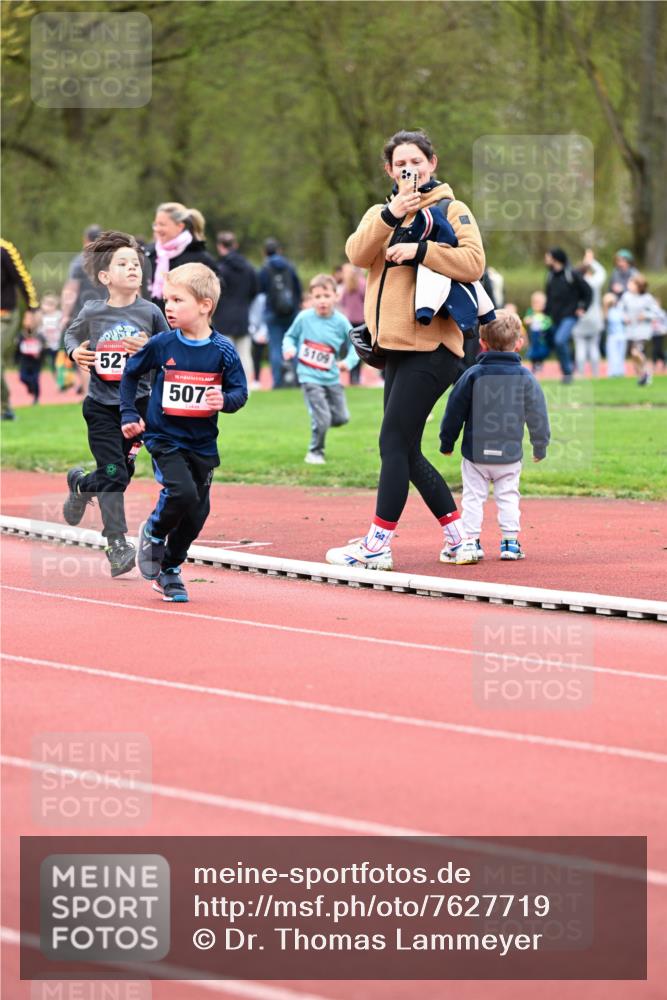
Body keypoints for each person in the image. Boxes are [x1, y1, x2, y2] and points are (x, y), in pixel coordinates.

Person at [325, 128, 485, 570]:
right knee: (406, 449)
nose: (408, 169)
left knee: (392, 441)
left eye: (416, 161)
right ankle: (460, 539)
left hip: (432, 345)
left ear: (432, 163)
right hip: (393, 348)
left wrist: (421, 249)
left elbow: (474, 264)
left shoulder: (452, 208)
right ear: (389, 170)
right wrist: (392, 216)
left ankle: (377, 545)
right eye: (400, 164)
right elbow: (357, 255)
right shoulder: (382, 211)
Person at [120, 263, 248, 603]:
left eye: (178, 300)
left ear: (205, 305)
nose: (168, 307)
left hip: (202, 442)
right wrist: (129, 412)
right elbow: (130, 374)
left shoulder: (222, 350)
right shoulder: (162, 344)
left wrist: (224, 399)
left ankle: (170, 570)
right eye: (166, 299)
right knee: (181, 492)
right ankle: (154, 531)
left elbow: (240, 393)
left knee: (197, 512)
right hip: (164, 437)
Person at [62, 231, 170, 577]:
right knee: (115, 472)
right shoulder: (93, 310)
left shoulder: (151, 311)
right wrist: (74, 351)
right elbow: (70, 335)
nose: (132, 268)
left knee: (117, 475)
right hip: (101, 407)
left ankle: (81, 485)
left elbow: (170, 349)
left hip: (138, 407)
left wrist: (149, 346)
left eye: (135, 263)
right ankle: (116, 544)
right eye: (122, 264)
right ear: (105, 277)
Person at [439, 310, 550, 562]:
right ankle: (510, 543)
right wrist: (539, 446)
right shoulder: (526, 378)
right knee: (508, 496)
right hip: (509, 455)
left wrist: (447, 442)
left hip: (476, 452)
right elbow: (538, 415)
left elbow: (454, 410)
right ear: (519, 343)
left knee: (473, 498)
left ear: (482, 343)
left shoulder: (473, 375)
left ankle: (470, 542)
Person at [282, 273, 359, 465]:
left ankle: (320, 420)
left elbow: (356, 346)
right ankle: (315, 452)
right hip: (309, 376)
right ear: (311, 299)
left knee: (341, 418)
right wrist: (289, 348)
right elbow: (289, 337)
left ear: (336, 296)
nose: (322, 301)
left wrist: (347, 363)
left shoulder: (341, 321)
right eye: (317, 297)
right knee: (323, 419)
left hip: (332, 377)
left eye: (326, 296)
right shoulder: (304, 318)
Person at [144, 202, 217, 314]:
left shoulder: (200, 258)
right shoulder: (148, 254)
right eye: (155, 224)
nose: (157, 229)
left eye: (162, 224)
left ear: (180, 226)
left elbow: (214, 295)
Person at [60, 224, 106, 397]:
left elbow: (70, 290)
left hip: (83, 315)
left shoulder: (79, 262)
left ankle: (89, 393)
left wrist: (65, 315)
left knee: (85, 354)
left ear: (85, 240)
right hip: (110, 312)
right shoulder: (110, 260)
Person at [212, 231, 258, 385]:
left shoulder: (220, 270)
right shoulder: (249, 268)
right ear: (235, 245)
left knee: (224, 354)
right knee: (244, 354)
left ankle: (228, 385)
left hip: (223, 317)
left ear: (220, 247)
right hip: (243, 316)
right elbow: (255, 291)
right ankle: (246, 387)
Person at [1, 237, 39, 420]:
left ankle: (4, 406)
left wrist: (32, 310)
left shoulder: (4, 250)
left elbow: (24, 280)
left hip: (5, 316)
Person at [544, 247, 592, 384]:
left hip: (570, 315)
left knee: (560, 340)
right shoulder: (550, 275)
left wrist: (583, 307)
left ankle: (568, 372)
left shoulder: (572, 274)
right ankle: (569, 366)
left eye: (548, 256)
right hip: (555, 317)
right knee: (557, 342)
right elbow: (549, 296)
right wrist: (545, 314)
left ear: (555, 258)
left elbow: (588, 291)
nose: (546, 260)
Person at [258, 238, 302, 388]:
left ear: (264, 252)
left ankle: (277, 382)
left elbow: (261, 290)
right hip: (291, 312)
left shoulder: (265, 268)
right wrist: (296, 306)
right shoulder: (290, 266)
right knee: (294, 344)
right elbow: (298, 288)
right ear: (279, 250)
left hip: (272, 313)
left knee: (275, 347)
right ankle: (298, 380)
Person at [620, 274, 661, 386]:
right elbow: (620, 310)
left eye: (631, 283)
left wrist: (646, 315)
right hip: (630, 331)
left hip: (642, 331)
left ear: (638, 286)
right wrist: (624, 317)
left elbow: (657, 313)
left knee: (636, 352)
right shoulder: (626, 296)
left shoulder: (647, 298)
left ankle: (647, 373)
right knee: (633, 356)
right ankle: (642, 377)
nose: (629, 285)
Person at [572, 249, 606, 378]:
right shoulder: (594, 282)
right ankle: (596, 374)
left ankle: (581, 373)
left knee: (580, 347)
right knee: (594, 347)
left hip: (579, 318)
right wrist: (591, 261)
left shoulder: (574, 284)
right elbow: (602, 272)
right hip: (595, 318)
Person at [338, 263, 366, 385]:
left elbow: (341, 302)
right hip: (361, 320)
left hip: (349, 321)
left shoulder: (345, 286)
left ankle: (351, 377)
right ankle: (357, 377)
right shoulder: (362, 283)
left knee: (351, 348)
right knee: (360, 350)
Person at [523, 291, 552, 373]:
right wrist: (530, 319)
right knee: (533, 351)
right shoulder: (531, 312)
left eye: (540, 303)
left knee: (541, 351)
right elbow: (526, 320)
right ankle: (534, 365)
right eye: (536, 303)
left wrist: (544, 323)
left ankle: (540, 364)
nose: (538, 305)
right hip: (533, 337)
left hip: (542, 337)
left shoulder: (545, 313)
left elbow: (548, 322)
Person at [16, 326, 46, 404]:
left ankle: (36, 398)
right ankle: (30, 387)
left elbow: (44, 346)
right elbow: (18, 348)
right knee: (23, 377)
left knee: (35, 379)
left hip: (36, 362)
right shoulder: (21, 335)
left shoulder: (39, 335)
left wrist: (40, 353)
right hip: (25, 361)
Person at [37, 292, 63, 373]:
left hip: (55, 345)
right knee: (38, 362)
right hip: (43, 344)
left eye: (51, 305)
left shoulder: (59, 315)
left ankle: (58, 378)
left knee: (55, 364)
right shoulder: (40, 315)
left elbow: (63, 326)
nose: (48, 307)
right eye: (46, 304)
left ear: (55, 305)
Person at [602, 292, 626, 377]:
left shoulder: (619, 310)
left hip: (621, 336)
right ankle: (613, 373)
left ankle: (620, 372)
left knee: (619, 355)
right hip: (613, 336)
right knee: (613, 356)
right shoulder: (607, 312)